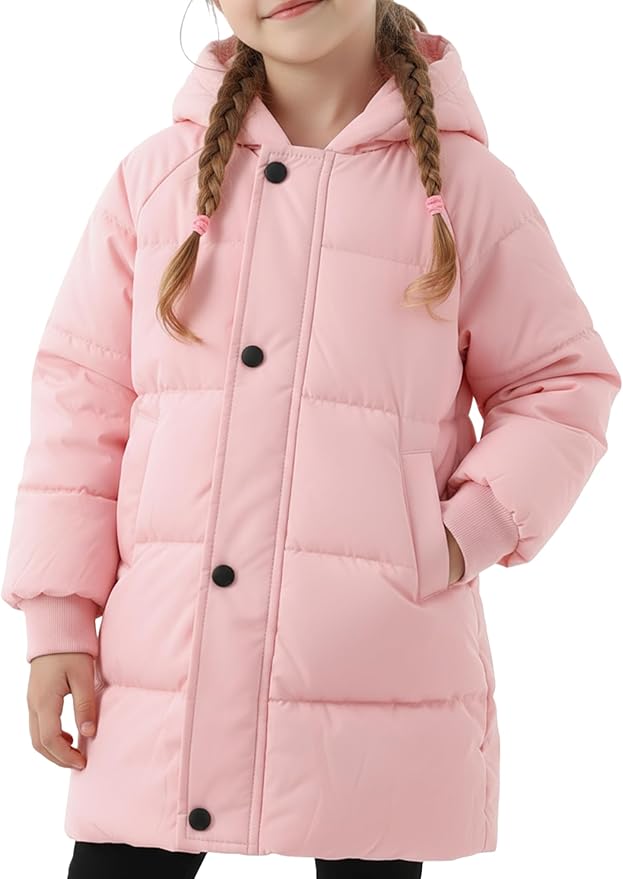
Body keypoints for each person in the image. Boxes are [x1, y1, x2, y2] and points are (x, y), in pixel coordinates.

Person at [1, 1, 620, 877]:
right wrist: (59, 615)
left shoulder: (468, 192)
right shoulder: (156, 179)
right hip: (162, 662)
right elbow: (81, 403)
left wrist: (456, 536)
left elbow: (559, 382)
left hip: (378, 659)